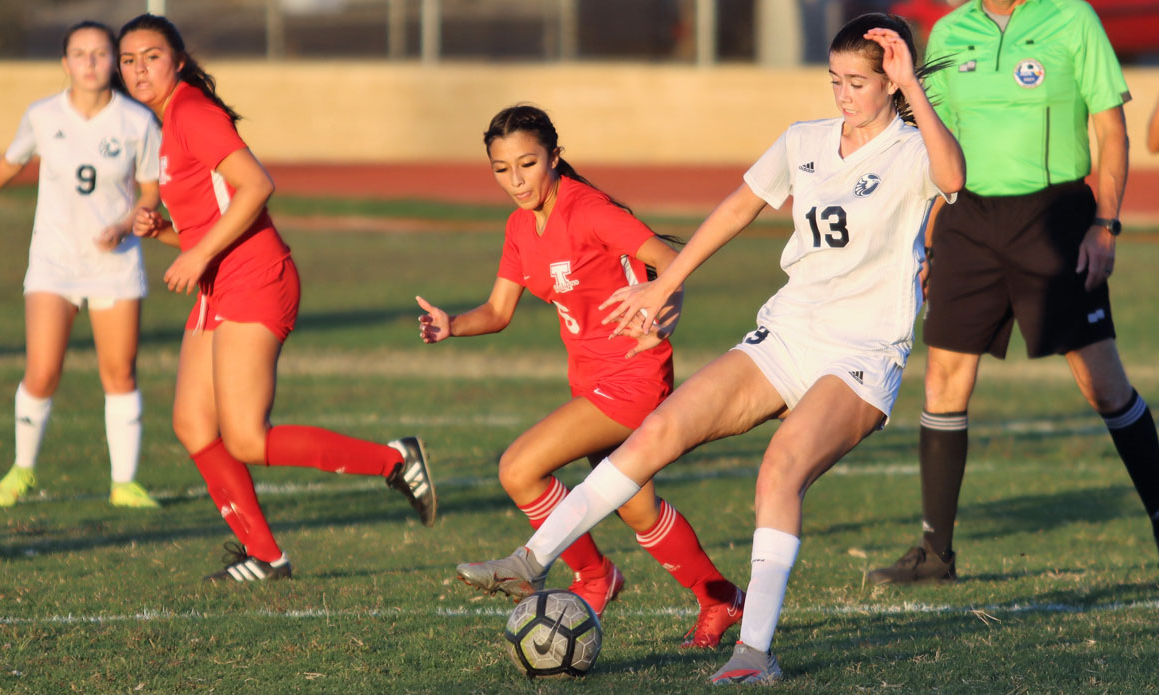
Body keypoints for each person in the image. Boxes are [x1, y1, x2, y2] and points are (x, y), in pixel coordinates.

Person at [455, 14, 964, 685]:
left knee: (779, 469)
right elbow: (734, 208)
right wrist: (668, 280)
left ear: (891, 81)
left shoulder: (909, 148)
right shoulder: (804, 141)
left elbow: (954, 177)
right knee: (661, 429)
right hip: (789, 330)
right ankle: (530, 558)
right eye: (836, 79)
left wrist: (912, 93)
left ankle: (754, 653)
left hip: (863, 350)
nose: (844, 94)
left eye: (860, 82)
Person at [116, 13, 436, 582]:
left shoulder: (191, 110)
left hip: (256, 278)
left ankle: (395, 460)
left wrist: (192, 254)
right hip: (223, 280)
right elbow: (209, 222)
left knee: (244, 436)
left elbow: (257, 185)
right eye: (129, 60)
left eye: (152, 56)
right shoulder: (169, 122)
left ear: (179, 61)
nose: (139, 69)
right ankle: (265, 555)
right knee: (194, 425)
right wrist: (163, 231)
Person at [417, 105, 744, 645]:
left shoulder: (587, 210)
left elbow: (669, 257)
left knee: (519, 469)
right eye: (502, 169)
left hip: (634, 376)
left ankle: (593, 575)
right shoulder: (521, 225)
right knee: (638, 508)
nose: (517, 180)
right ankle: (721, 598)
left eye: (528, 163)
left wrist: (670, 308)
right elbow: (498, 313)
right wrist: (453, 324)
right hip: (589, 377)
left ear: (555, 157)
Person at [866, 0, 1159, 585]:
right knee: (945, 379)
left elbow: (1110, 129)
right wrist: (926, 235)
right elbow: (934, 140)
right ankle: (935, 554)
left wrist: (1105, 225)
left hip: (1054, 217)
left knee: (1103, 385)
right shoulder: (950, 29)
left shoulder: (1072, 19)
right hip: (967, 220)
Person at [0, 21, 163, 509]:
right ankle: (23, 470)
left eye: (99, 54)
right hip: (53, 262)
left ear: (112, 61)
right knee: (42, 371)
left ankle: (124, 483)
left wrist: (123, 225)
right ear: (65, 63)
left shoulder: (137, 121)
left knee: (120, 374)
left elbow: (152, 190)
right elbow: (13, 160)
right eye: (80, 54)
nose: (90, 63)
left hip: (114, 265)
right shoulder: (42, 115)